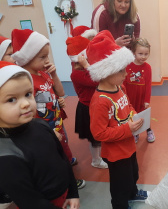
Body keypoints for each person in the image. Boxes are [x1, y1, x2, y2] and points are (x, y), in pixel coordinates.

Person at [10, 29, 85, 189]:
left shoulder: (43, 74)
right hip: (43, 127)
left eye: (47, 56)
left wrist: (55, 75)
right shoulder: (27, 81)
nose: (47, 60)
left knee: (63, 146)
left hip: (56, 121)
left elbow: (61, 92)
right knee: (52, 155)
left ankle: (67, 162)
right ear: (27, 58)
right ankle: (66, 181)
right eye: (42, 57)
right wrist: (47, 131)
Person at [0, 61, 80, 209]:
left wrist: (72, 192)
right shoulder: (6, 153)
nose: (25, 104)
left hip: (64, 194)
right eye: (11, 99)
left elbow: (62, 158)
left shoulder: (40, 124)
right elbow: (29, 201)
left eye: (28, 94)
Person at [86, 30, 150, 209]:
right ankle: (121, 204)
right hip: (115, 153)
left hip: (129, 145)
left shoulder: (119, 87)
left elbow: (127, 106)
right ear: (106, 72)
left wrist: (135, 116)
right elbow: (99, 133)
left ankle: (133, 192)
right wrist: (128, 129)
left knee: (133, 174)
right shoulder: (100, 101)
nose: (126, 74)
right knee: (119, 185)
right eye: (121, 70)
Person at [66, 35, 108, 169]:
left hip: (97, 106)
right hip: (88, 109)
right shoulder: (76, 74)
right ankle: (96, 160)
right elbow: (96, 80)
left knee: (101, 134)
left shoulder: (87, 68)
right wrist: (86, 65)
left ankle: (101, 155)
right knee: (95, 138)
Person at [123, 38, 155, 143]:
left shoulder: (148, 67)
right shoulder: (127, 66)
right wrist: (125, 98)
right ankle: (135, 133)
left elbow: (148, 85)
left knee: (143, 116)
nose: (143, 56)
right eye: (140, 53)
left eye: (146, 54)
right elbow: (124, 83)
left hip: (141, 98)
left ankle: (149, 130)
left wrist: (147, 100)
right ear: (134, 53)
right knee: (133, 116)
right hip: (130, 97)